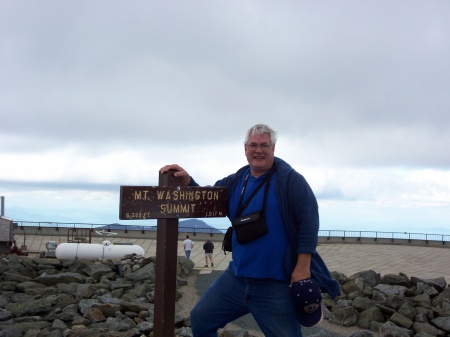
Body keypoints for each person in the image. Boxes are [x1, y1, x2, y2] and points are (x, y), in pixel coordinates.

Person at [160, 124, 340, 337]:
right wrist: (189, 182)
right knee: (200, 319)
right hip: (236, 279)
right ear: (245, 148)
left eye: (264, 145)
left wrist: (302, 268)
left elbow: (309, 222)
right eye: (253, 145)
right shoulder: (237, 180)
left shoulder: (290, 180)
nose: (258, 150)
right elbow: (209, 199)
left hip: (276, 284)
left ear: (273, 148)